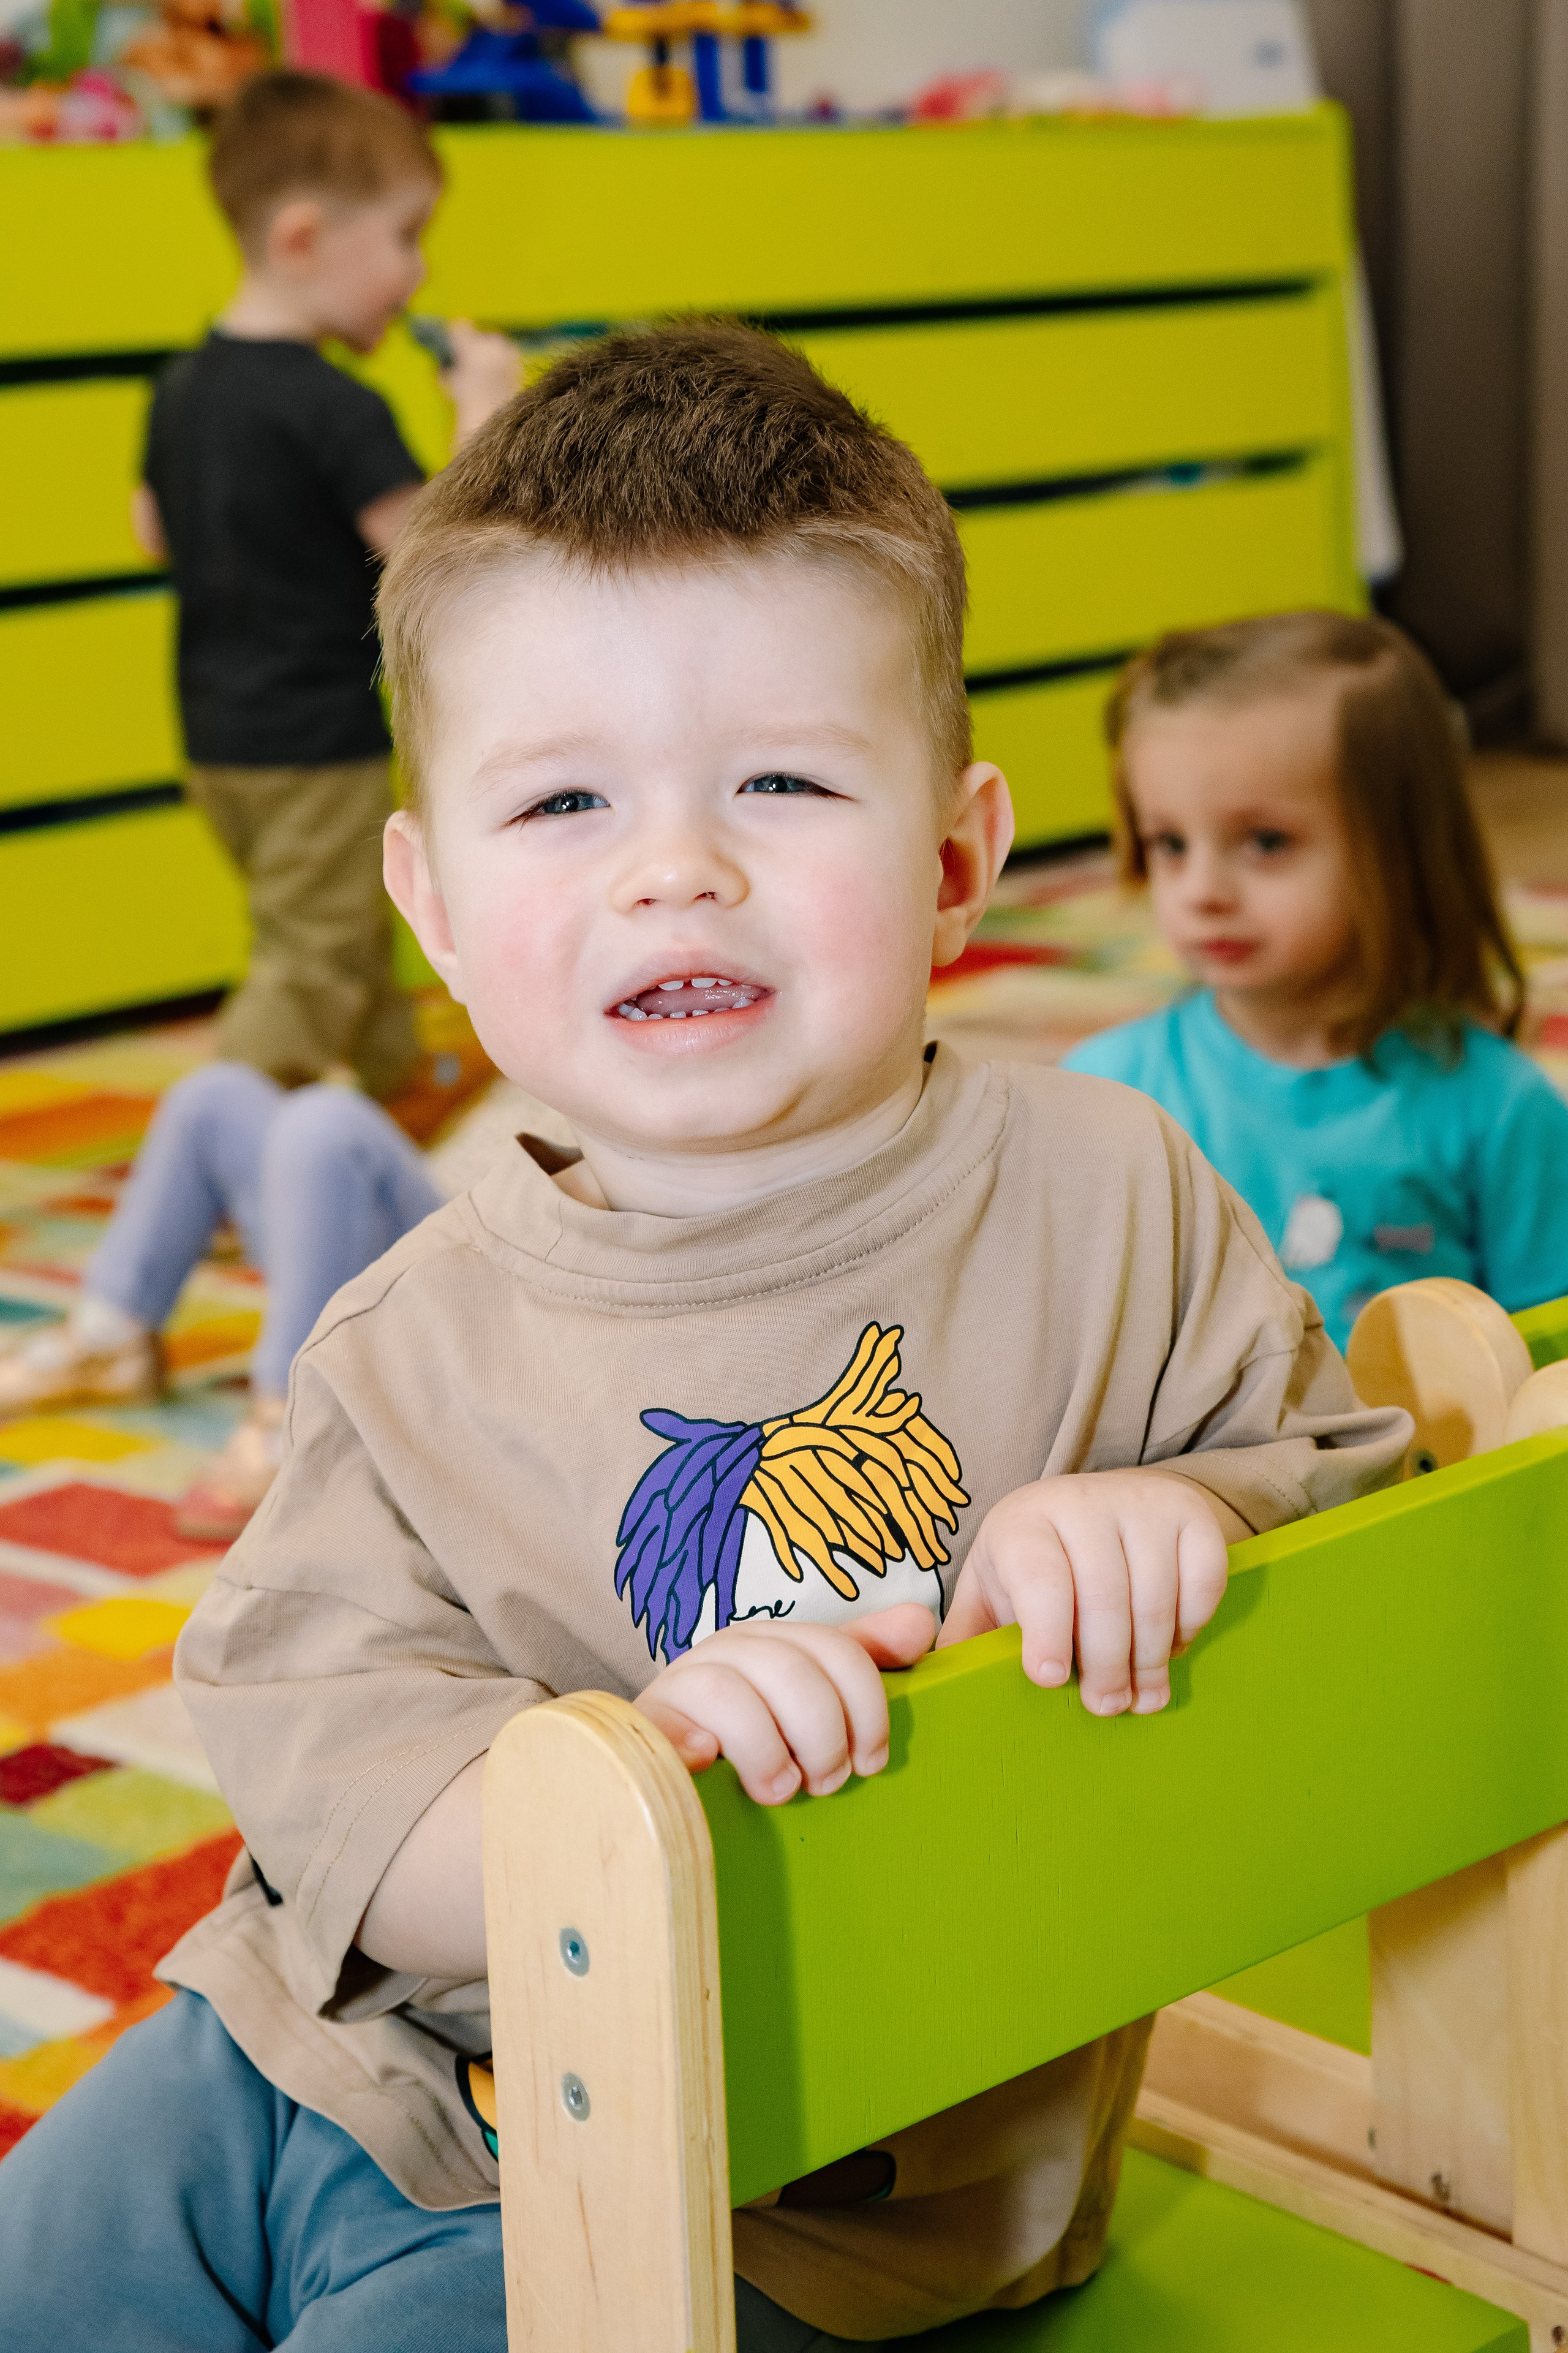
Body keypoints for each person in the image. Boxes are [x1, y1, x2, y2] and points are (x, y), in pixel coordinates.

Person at [0, 326, 1410, 2351]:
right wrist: (615, 1793)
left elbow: (1365, 1541)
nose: (680, 865)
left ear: (955, 856)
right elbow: (325, 1758)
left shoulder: (1118, 1199)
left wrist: (1183, 1507)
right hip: (302, 2061)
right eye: (565, 799)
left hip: (749, 2202)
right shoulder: (404, 1339)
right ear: (434, 909)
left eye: (780, 779)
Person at [134, 68, 519, 1103]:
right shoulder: (335, 407)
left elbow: (150, 528)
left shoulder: (183, 388)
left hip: (219, 739)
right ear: (305, 238)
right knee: (311, 951)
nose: (418, 270)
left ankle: (401, 1078)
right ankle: (217, 1146)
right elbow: (435, 554)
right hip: (313, 737)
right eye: (404, 237)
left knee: (338, 915)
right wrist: (486, 408)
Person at [1061, 611, 1568, 1351]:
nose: (1201, 890)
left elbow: (1547, 1366)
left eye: (1265, 842)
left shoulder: (1500, 1109)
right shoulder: (1107, 1097)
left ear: (1400, 851)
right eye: (1168, 842)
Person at [0, 1065, 571, 1538]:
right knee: (214, 1097)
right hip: (415, 1206)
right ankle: (108, 1339)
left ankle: (293, 1417)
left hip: (487, 1265)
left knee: (323, 1122)